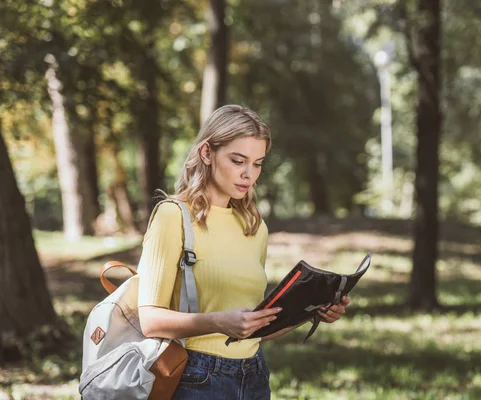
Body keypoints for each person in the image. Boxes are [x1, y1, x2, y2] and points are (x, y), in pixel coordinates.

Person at [137, 104, 351, 400]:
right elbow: (149, 320)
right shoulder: (173, 216)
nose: (248, 174)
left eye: (258, 163)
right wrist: (216, 321)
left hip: (254, 376)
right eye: (238, 161)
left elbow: (255, 329)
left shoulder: (254, 227)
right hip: (195, 376)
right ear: (207, 153)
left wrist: (311, 310)